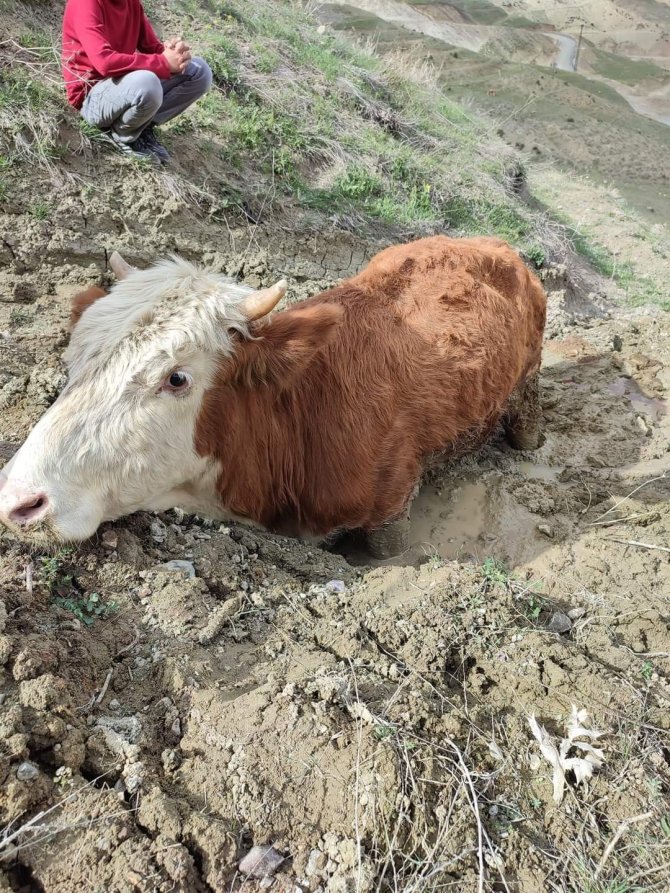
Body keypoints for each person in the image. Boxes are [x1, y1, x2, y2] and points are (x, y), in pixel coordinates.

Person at [61, 0, 213, 163]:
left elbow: (152, 47)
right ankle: (124, 135)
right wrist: (163, 62)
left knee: (199, 71)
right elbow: (104, 62)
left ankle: (143, 126)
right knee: (148, 82)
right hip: (90, 97)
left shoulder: (131, 3)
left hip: (122, 85)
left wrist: (175, 55)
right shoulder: (85, 3)